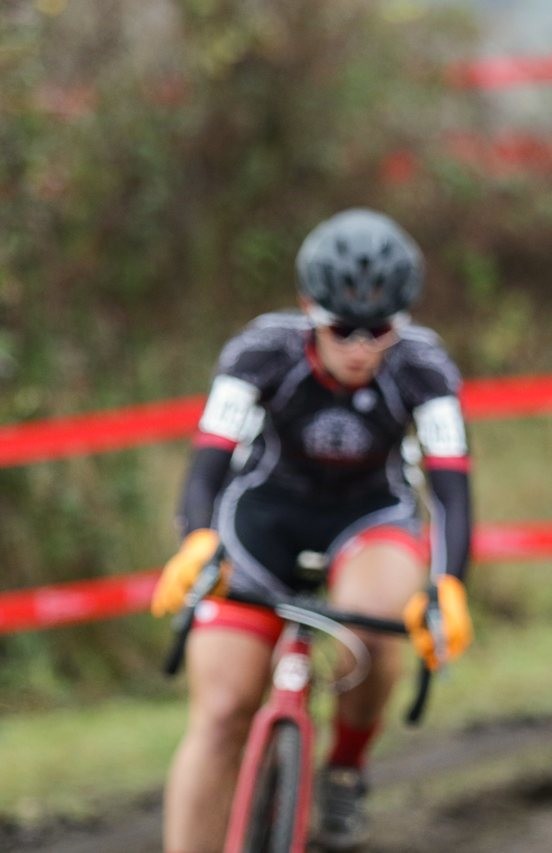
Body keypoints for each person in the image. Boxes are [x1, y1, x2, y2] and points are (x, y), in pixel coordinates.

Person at [151, 208, 475, 852]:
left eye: (378, 331)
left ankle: (346, 765)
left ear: (402, 322)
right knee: (220, 714)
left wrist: (450, 585)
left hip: (368, 521)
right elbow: (210, 458)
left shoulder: (424, 367)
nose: (360, 348)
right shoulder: (261, 350)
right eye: (342, 329)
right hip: (262, 521)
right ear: (308, 307)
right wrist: (196, 537)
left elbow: (451, 488)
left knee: (379, 623)